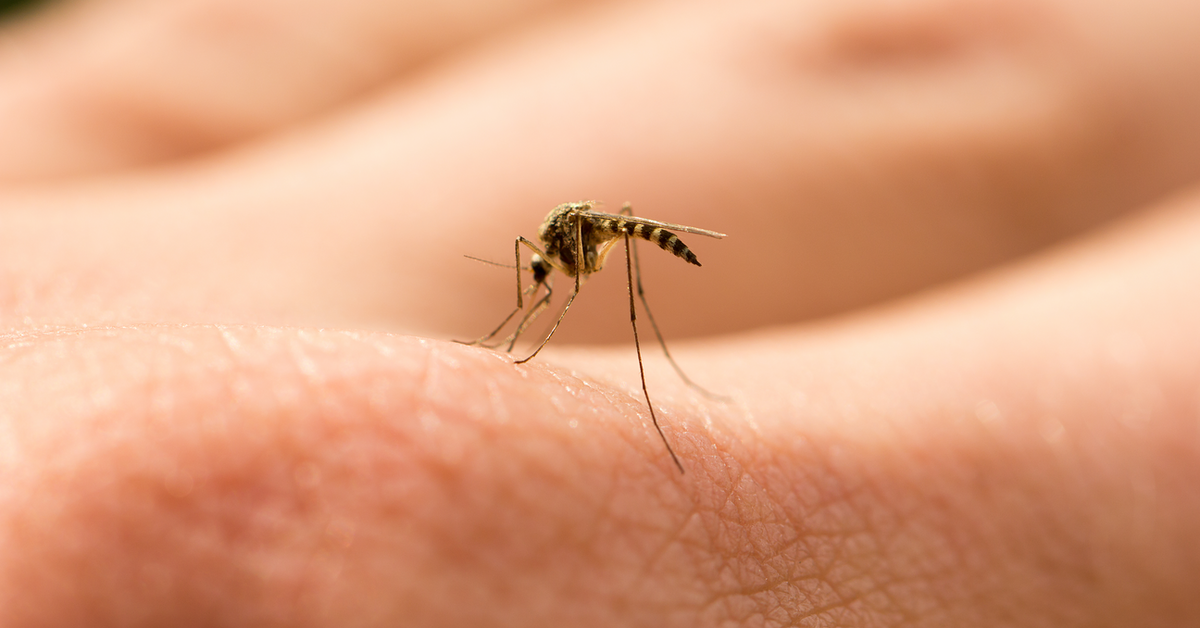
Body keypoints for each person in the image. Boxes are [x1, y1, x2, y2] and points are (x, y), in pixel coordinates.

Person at [2, 0, 1199, 624]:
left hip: (624, 226)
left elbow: (602, 246)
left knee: (620, 269)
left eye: (534, 286)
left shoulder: (584, 245)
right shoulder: (545, 243)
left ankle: (653, 372)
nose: (535, 281)